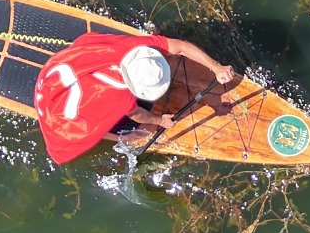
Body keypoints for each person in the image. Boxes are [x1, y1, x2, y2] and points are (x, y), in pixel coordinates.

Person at [32, 31, 238, 164]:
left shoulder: (132, 48)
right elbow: (139, 115)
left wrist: (215, 67)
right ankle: (120, 136)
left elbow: (181, 46)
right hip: (57, 109)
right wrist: (160, 120)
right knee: (92, 131)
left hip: (55, 71)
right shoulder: (118, 98)